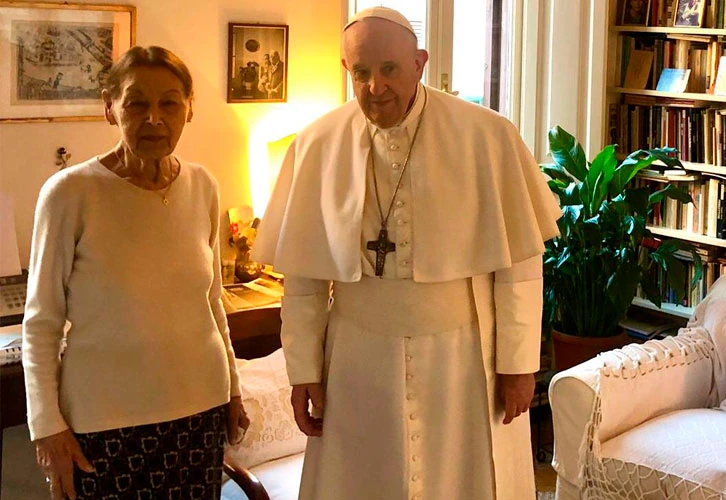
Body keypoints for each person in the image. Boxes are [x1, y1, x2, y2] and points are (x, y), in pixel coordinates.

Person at [253, 7, 560, 500]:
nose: (376, 87)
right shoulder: (316, 144)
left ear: (419, 62)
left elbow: (519, 266)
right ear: (347, 71)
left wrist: (519, 364)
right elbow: (305, 279)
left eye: (389, 69)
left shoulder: (487, 135)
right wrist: (304, 370)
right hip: (356, 356)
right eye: (362, 72)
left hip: (461, 354)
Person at [23, 45, 249, 500]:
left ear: (189, 108)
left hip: (199, 412)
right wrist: (46, 427)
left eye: (169, 102)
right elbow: (41, 324)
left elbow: (211, 303)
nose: (154, 119)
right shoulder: (70, 193)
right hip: (103, 424)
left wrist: (234, 390)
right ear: (110, 109)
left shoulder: (203, 185)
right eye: (136, 103)